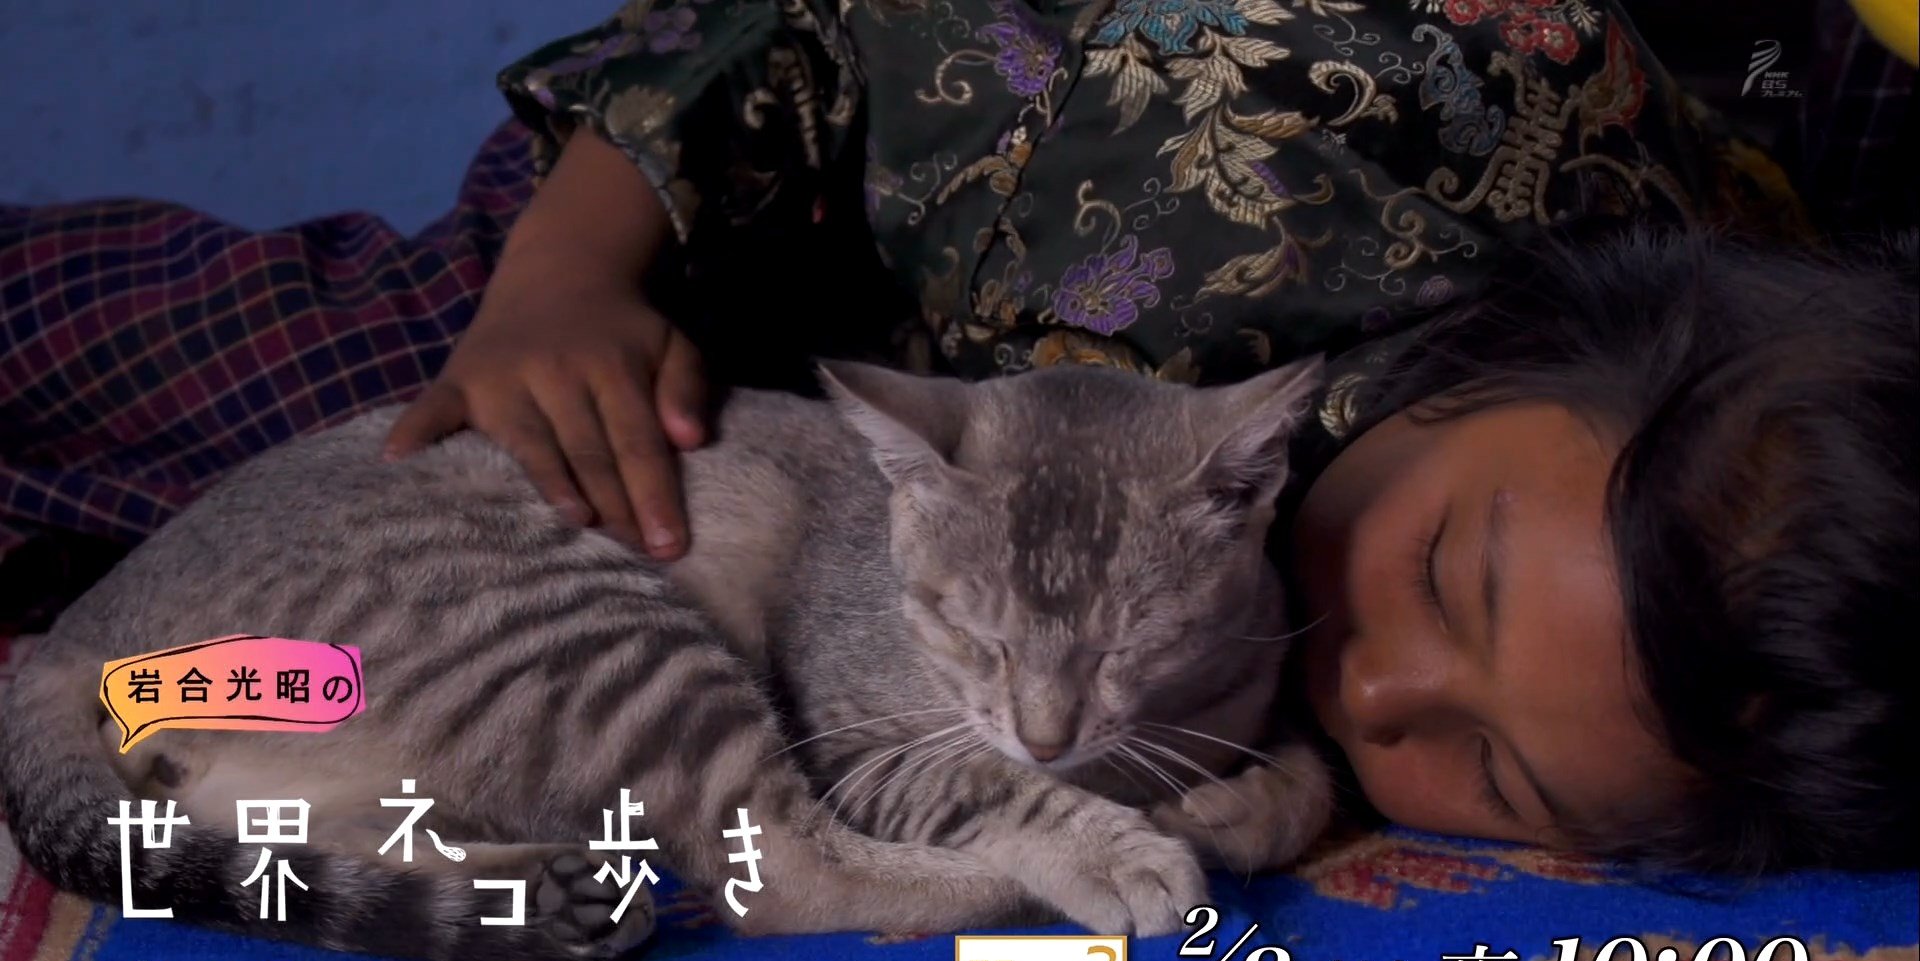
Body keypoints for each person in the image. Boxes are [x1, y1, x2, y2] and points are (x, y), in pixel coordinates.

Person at [1, 2, 1910, 873]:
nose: (1378, 685)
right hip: (700, 279)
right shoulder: (1285, 111)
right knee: (149, 383)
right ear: (1520, 363)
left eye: (1492, 769)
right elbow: (805, 30)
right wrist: (568, 272)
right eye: (1441, 574)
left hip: (936, 520)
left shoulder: (1728, 505)